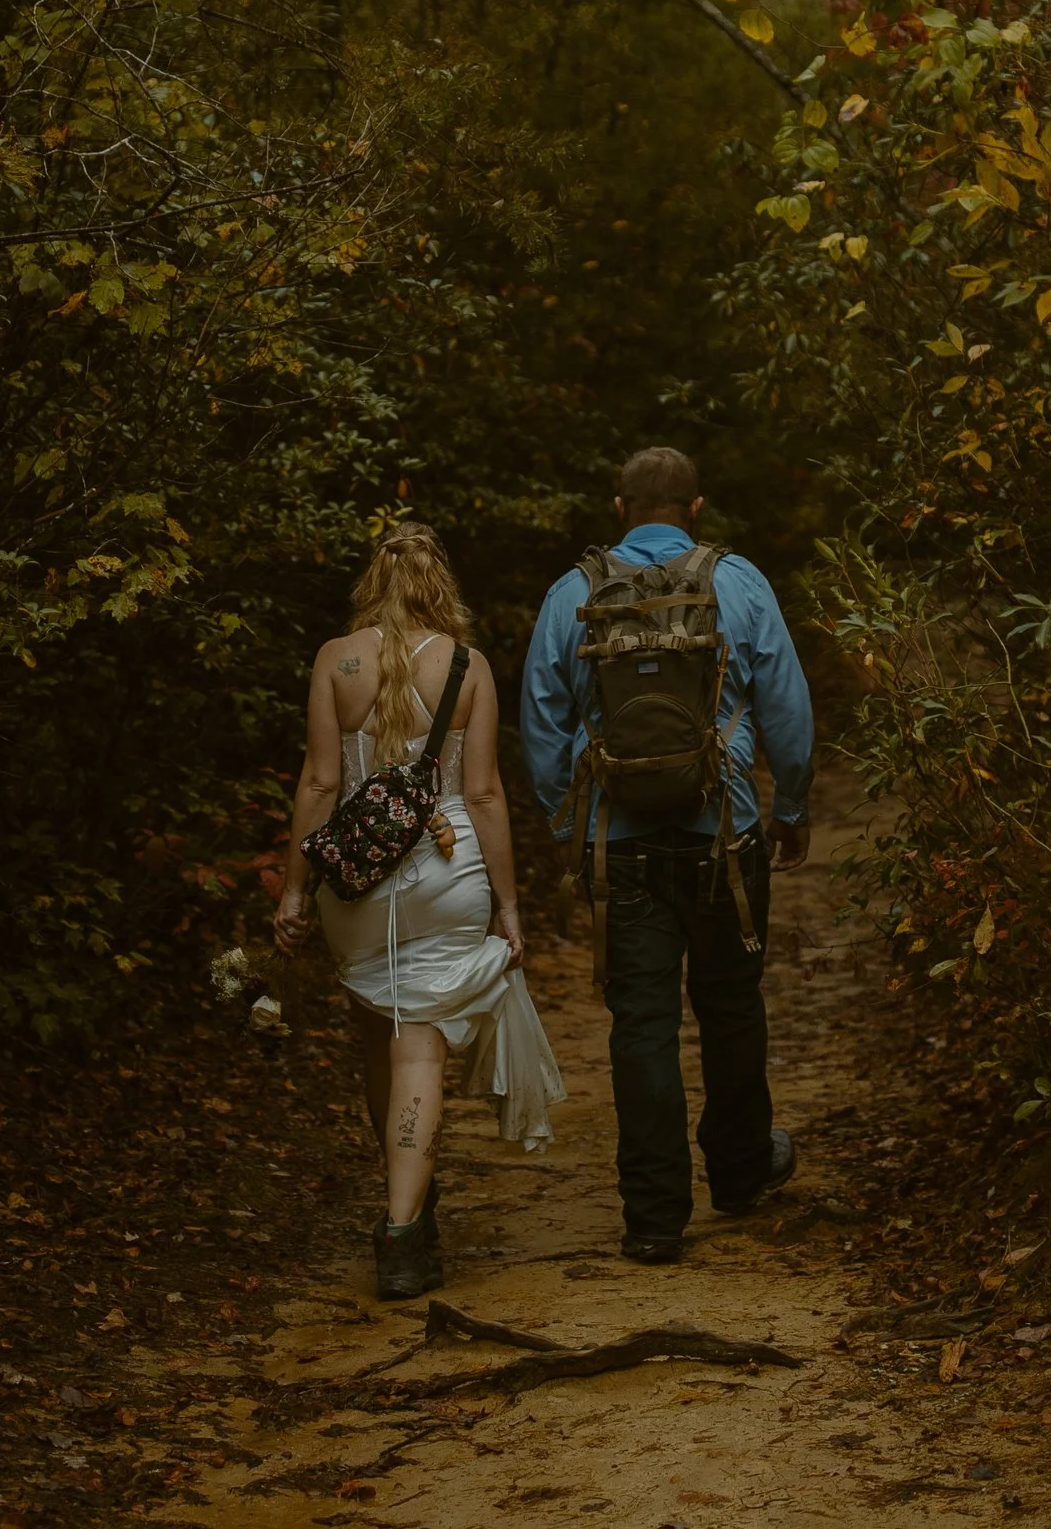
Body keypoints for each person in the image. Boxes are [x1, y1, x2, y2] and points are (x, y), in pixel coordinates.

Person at [520, 444, 813, 1265]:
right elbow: (786, 707)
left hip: (619, 844)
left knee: (642, 1023)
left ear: (619, 509)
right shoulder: (738, 582)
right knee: (731, 1004)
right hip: (725, 831)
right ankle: (741, 1172)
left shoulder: (573, 593)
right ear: (697, 507)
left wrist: (566, 824)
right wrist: (791, 808)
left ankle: (653, 1217)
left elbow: (541, 723)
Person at [276, 519, 565, 1299]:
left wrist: (295, 890)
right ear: (441, 584)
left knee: (381, 1039)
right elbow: (484, 793)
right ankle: (403, 1233)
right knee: (420, 1050)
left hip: (356, 880)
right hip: (448, 869)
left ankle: (406, 1192)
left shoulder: (337, 661)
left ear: (373, 581)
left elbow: (320, 783)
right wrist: (508, 905)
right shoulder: (467, 667)